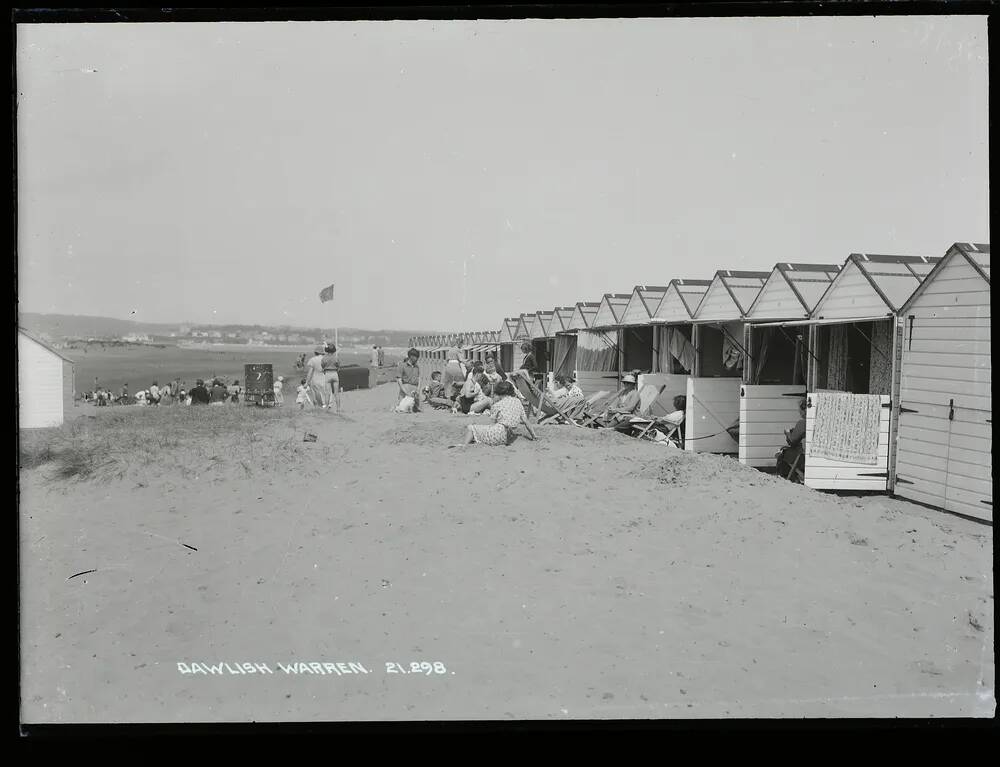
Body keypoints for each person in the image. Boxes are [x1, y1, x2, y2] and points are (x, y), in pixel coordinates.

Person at [449, 380, 537, 447]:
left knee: (471, 428)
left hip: (498, 434)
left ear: (499, 393)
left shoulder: (498, 405)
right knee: (483, 431)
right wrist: (534, 436)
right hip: (508, 437)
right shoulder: (518, 401)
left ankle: (464, 445)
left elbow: (492, 422)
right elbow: (526, 422)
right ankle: (477, 439)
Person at [775, 399, 807, 480]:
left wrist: (787, 432)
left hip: (802, 457)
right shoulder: (813, 421)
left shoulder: (802, 422)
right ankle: (799, 475)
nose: (799, 412)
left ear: (803, 410)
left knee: (782, 453)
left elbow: (792, 440)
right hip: (807, 455)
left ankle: (793, 478)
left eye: (800, 409)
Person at [396, 348, 422, 413]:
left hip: (415, 388)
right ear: (411, 357)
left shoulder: (417, 367)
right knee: (402, 408)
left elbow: (419, 378)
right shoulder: (402, 366)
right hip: (406, 386)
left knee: (416, 409)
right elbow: (399, 380)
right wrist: (404, 391)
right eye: (416, 357)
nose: (417, 359)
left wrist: (418, 389)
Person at [321, 343, 342, 413]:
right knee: (336, 393)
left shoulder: (324, 358)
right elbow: (339, 366)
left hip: (327, 374)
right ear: (334, 350)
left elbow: (322, 366)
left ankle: (327, 408)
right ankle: (338, 408)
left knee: (327, 393)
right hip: (335, 373)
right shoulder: (336, 357)